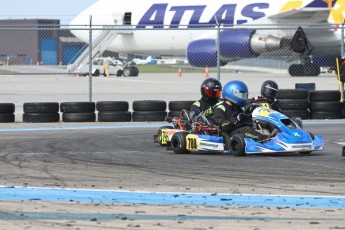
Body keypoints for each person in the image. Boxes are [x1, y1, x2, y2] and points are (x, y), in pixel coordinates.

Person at [212, 80, 270, 148]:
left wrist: (251, 115)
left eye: (244, 95)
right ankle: (266, 140)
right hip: (229, 134)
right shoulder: (220, 108)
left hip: (240, 132)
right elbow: (223, 125)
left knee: (263, 123)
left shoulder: (237, 107)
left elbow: (244, 119)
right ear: (231, 93)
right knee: (246, 130)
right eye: (241, 95)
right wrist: (236, 120)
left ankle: (277, 136)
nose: (243, 97)